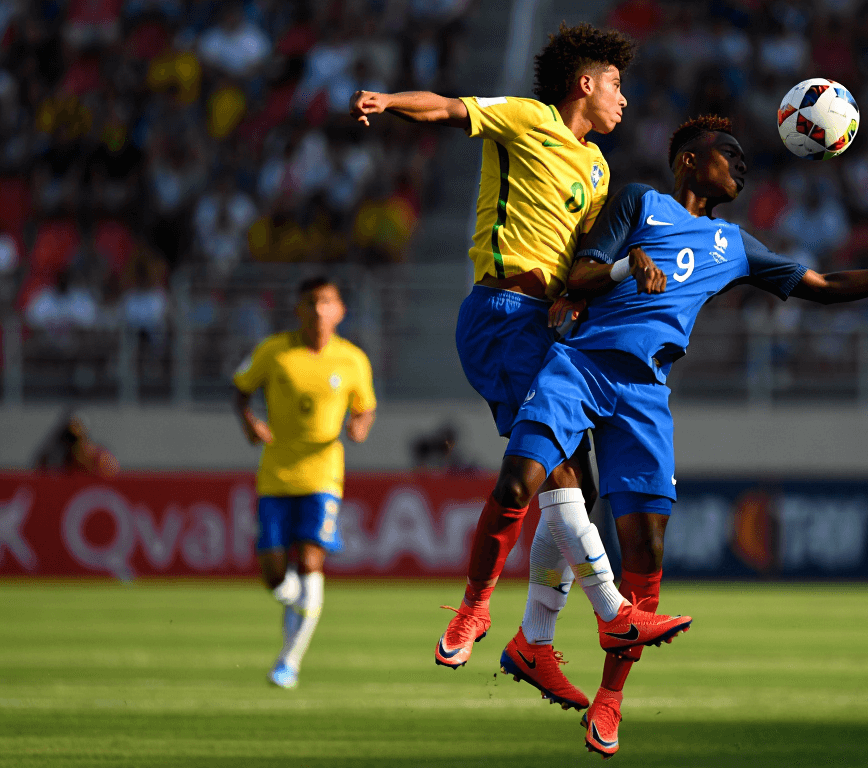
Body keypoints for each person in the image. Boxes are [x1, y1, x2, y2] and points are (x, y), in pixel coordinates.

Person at [497, 115, 868, 757]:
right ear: (688, 160)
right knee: (554, 493)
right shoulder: (639, 202)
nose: (742, 165)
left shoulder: (735, 245)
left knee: (646, 547)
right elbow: (580, 274)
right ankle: (515, 630)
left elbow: (819, 287)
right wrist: (613, 277)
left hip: (647, 391)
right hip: (582, 362)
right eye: (728, 153)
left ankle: (608, 700)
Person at [349, 23, 636, 671]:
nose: (624, 99)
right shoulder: (529, 119)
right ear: (585, 85)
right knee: (554, 472)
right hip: (503, 316)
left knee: (572, 487)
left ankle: (523, 633)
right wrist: (391, 100)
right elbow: (450, 108)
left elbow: (582, 263)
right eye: (616, 85)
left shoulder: (597, 167)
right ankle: (606, 613)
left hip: (549, 328)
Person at [232, 277, 376, 689]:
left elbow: (365, 407)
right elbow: (239, 389)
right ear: (298, 309)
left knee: (311, 562)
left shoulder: (352, 359)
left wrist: (359, 425)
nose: (318, 310)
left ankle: (288, 662)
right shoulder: (274, 352)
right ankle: (301, 602)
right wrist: (250, 423)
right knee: (274, 573)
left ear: (340, 311)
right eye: (311, 302)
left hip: (323, 475)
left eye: (326, 302)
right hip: (276, 472)